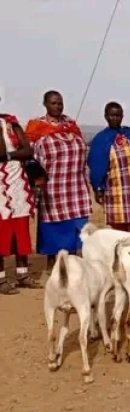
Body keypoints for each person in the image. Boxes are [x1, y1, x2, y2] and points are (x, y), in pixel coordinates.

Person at [24, 91, 91, 271]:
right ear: (45, 104)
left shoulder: (70, 124)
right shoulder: (36, 127)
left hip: (76, 187)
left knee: (77, 227)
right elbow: (29, 159)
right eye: (54, 103)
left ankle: (73, 264)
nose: (58, 106)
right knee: (54, 228)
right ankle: (54, 265)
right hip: (52, 188)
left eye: (60, 103)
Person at [88, 102, 130, 233]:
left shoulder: (129, 134)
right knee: (118, 231)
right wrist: (98, 188)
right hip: (114, 190)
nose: (115, 118)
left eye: (118, 115)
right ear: (106, 116)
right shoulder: (101, 139)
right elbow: (95, 165)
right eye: (112, 115)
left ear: (122, 116)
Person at [0, 111, 36, 294]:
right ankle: (1, 279)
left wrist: (8, 156)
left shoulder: (10, 122)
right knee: (2, 231)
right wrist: (14, 154)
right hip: (0, 187)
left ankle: (22, 274)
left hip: (17, 182)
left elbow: (28, 151)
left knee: (20, 229)